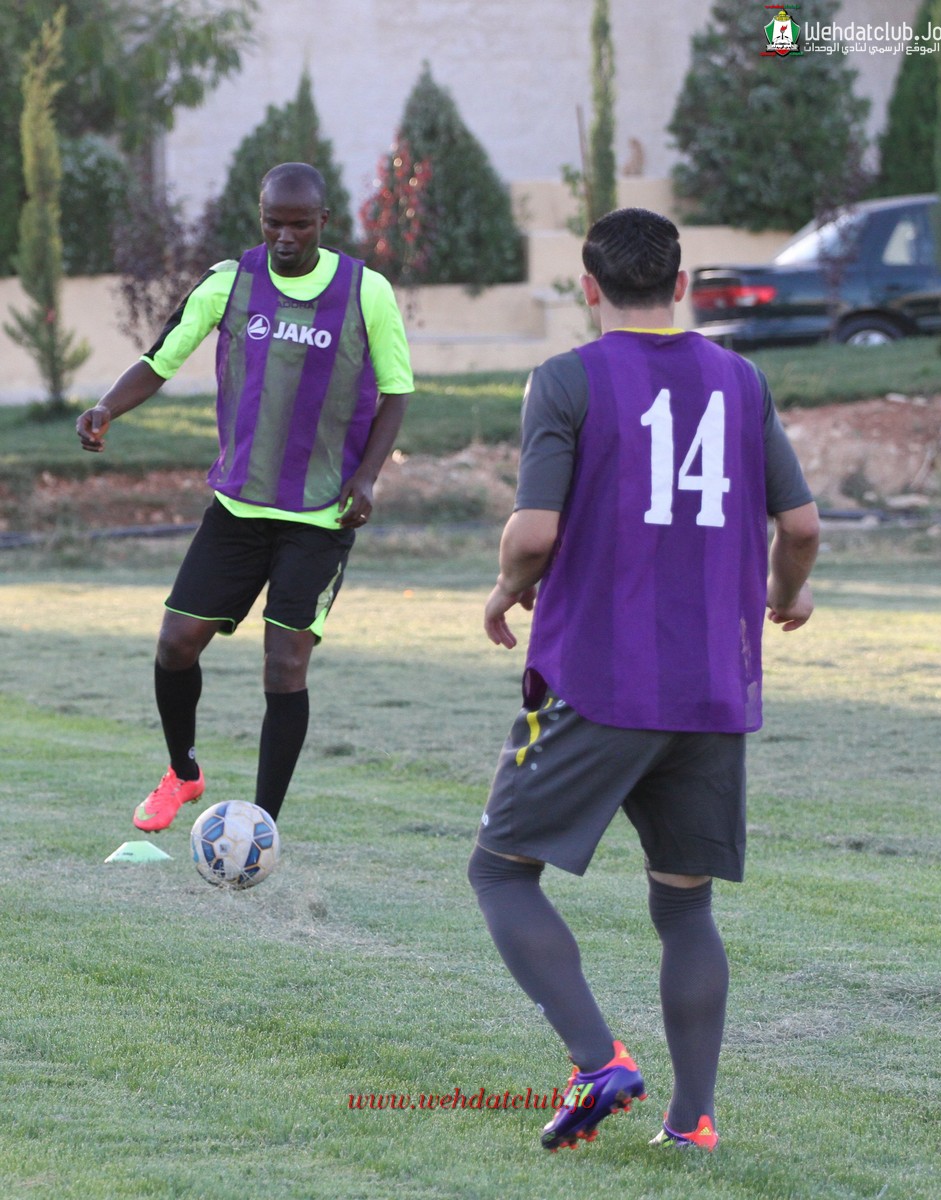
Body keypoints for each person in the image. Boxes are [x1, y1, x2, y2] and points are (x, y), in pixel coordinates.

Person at [468, 207, 819, 1153]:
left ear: (588, 287)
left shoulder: (568, 378)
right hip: (711, 688)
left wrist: (504, 589)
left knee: (499, 870)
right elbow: (800, 526)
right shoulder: (742, 381)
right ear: (680, 285)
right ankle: (693, 1121)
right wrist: (789, 593)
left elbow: (533, 533)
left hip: (597, 681)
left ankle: (598, 1062)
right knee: (684, 903)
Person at [76, 162, 414, 833]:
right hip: (237, 508)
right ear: (260, 219)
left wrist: (368, 476)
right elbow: (160, 359)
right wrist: (107, 406)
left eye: (299, 224)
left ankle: (261, 826)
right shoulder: (230, 283)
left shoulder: (365, 291)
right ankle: (183, 773)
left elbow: (397, 391)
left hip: (319, 517)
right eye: (273, 223)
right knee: (176, 643)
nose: (285, 237)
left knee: (284, 665)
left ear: (323, 222)